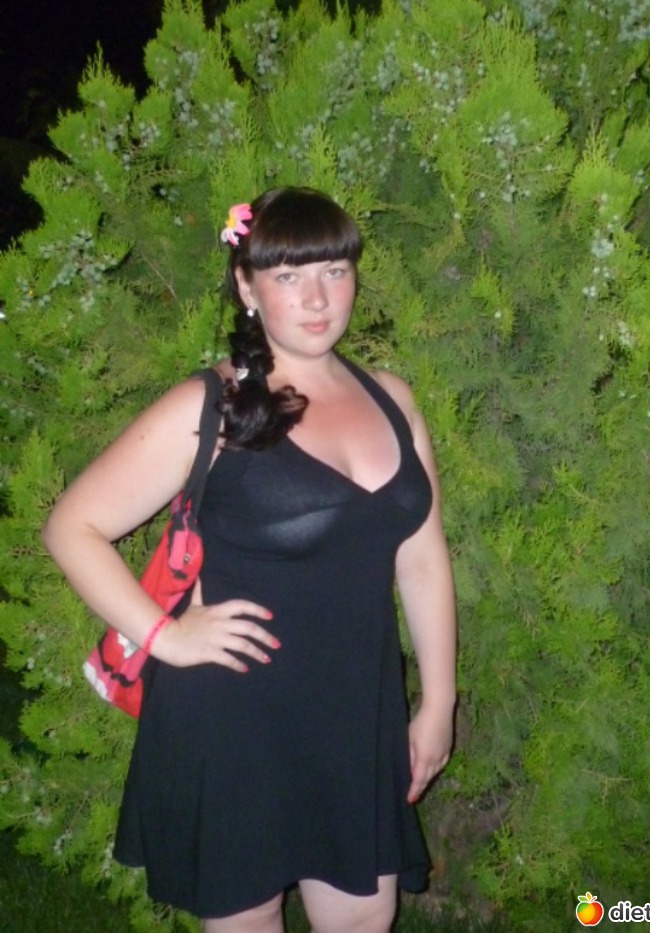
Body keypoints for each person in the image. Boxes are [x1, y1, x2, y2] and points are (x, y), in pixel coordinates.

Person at [42, 187, 457, 933]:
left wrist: (437, 701)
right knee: (248, 917)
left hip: (354, 711)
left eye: (333, 271)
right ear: (246, 285)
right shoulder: (213, 406)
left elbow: (421, 557)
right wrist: (168, 636)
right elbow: (73, 526)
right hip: (235, 714)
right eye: (289, 275)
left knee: (366, 915)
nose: (317, 298)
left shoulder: (393, 399)